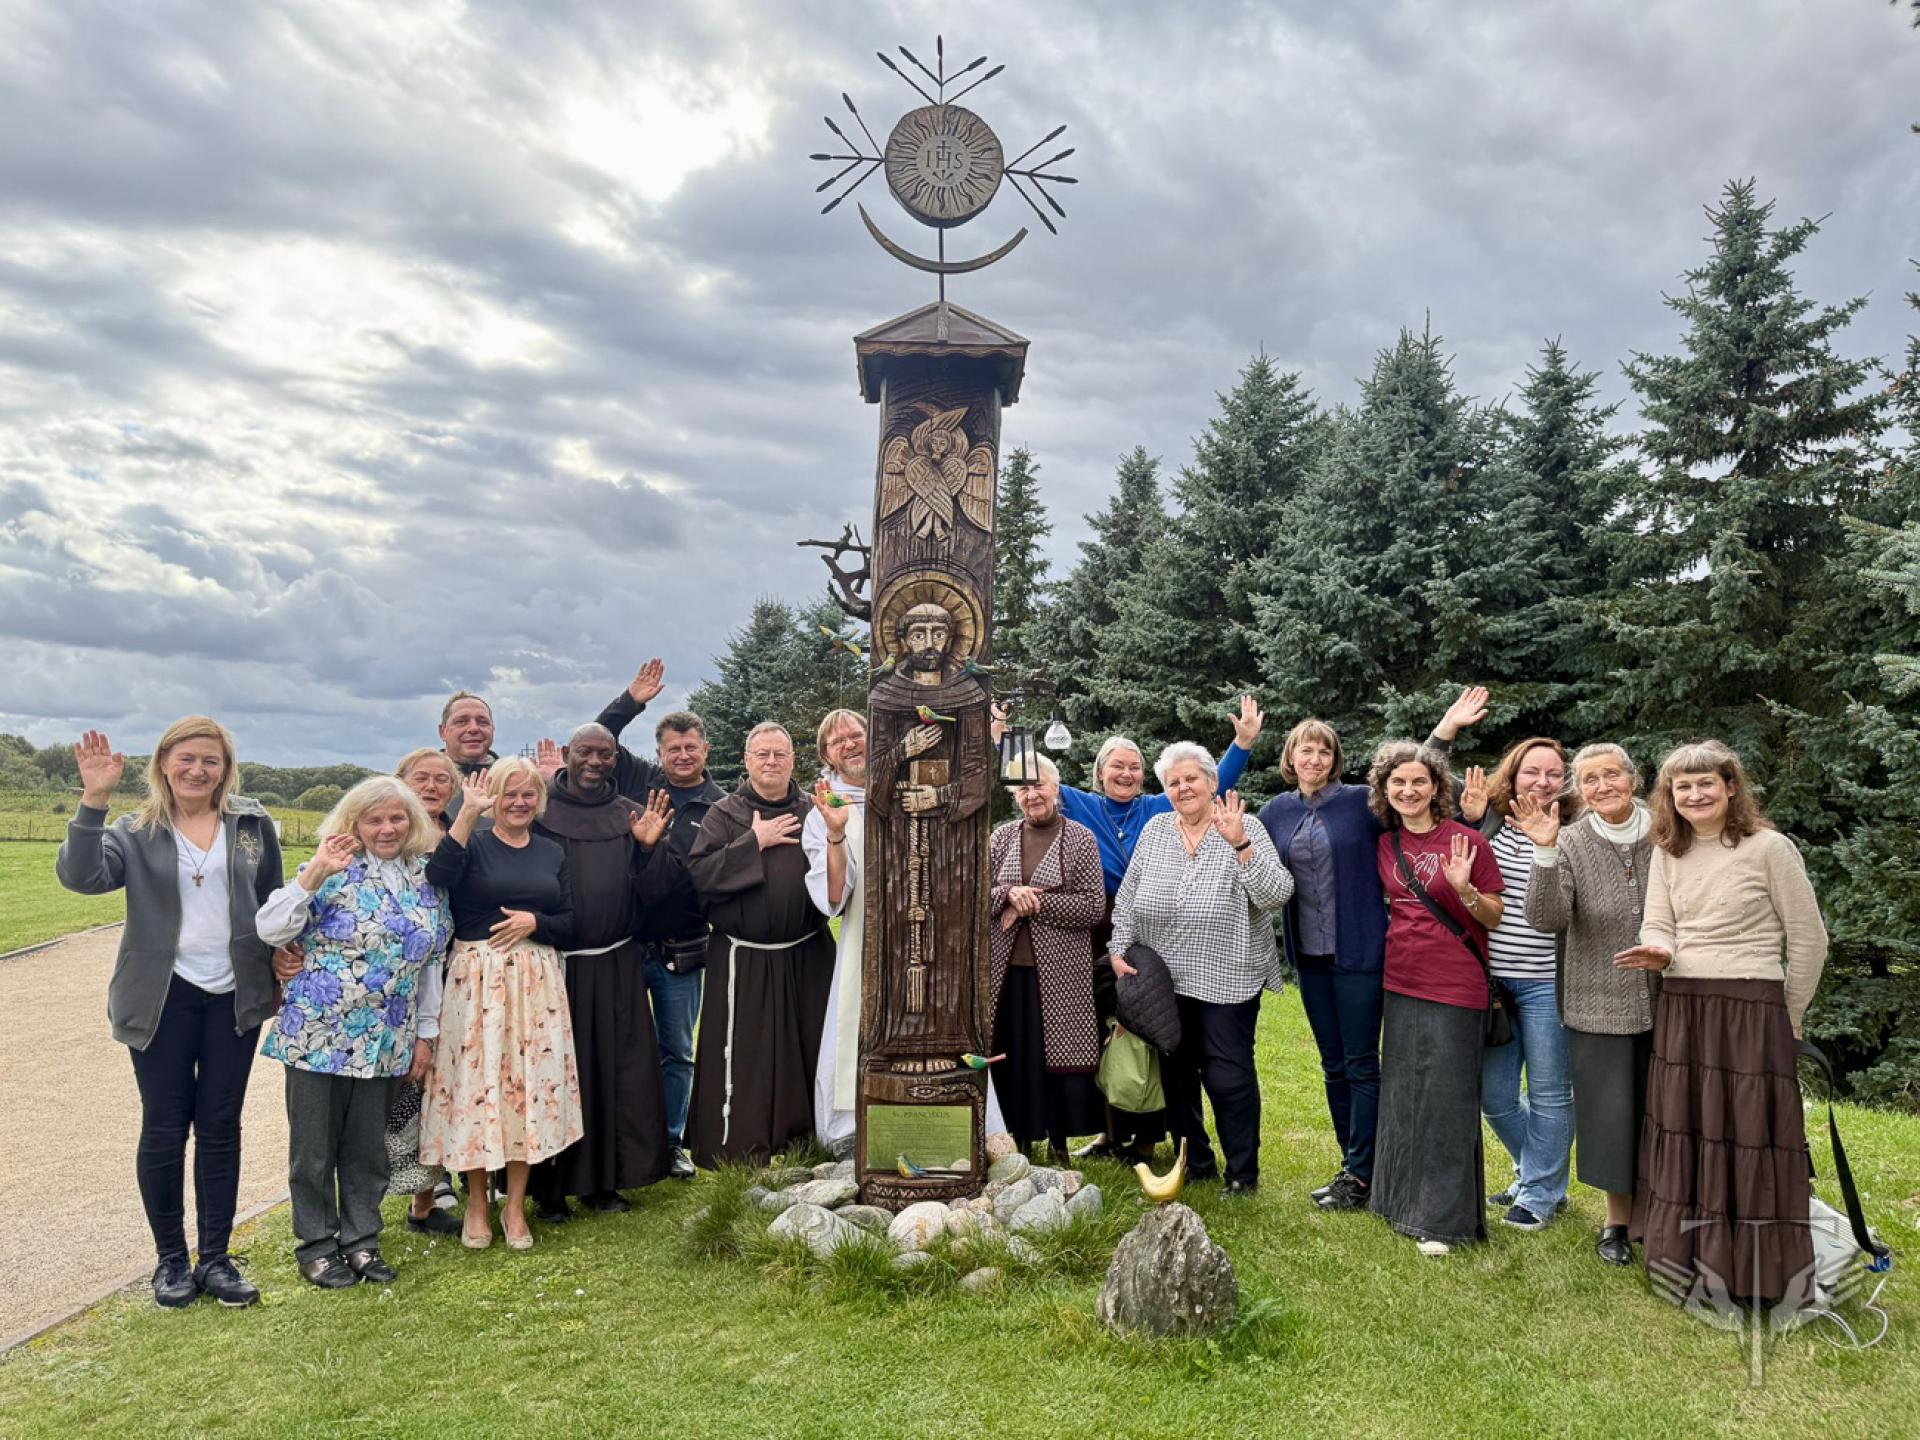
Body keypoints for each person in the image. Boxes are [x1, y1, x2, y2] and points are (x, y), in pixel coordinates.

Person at [56, 720, 284, 1308]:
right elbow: (81, 877)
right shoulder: (134, 832)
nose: (197, 770)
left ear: (225, 768)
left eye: (211, 760)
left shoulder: (252, 824)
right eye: (186, 758)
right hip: (162, 996)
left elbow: (273, 900)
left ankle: (216, 1259)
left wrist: (284, 954)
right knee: (164, 1126)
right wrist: (94, 800)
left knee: (220, 1125)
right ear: (163, 763)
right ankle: (171, 1261)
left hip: (234, 995)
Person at [1256, 687, 1489, 1211]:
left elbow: (1413, 782)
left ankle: (1364, 1173)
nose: (1315, 758)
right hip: (1310, 958)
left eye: (1325, 750)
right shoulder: (1275, 812)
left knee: (1361, 1062)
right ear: (1290, 757)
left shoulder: (1361, 804)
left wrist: (1445, 730)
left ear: (1335, 760)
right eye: (1305, 750)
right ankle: (1352, 1163)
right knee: (1332, 1063)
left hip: (1360, 953)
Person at [1617, 740, 1829, 1310]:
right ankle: (1686, 1263)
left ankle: (1757, 1275)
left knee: (1749, 1136)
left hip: (1751, 1010)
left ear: (1731, 787)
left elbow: (1809, 939)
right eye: (1682, 787)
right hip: (1684, 1007)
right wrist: (1659, 950)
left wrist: (1790, 1016)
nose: (1694, 795)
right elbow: (1658, 923)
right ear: (1670, 796)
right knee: (1688, 1130)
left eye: (1705, 783)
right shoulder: (1669, 851)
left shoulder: (1770, 848)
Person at [1003, 697, 1261, 1163]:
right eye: (1116, 766)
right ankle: (1109, 1132)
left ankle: (1148, 1136)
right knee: (1100, 1034)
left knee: (1147, 1032)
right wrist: (1000, 734)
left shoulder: (1159, 807)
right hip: (1090, 931)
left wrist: (1241, 744)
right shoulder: (1081, 804)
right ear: (1099, 773)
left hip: (1147, 931)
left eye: (1135, 767)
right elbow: (1030, 778)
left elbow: (1211, 782)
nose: (1126, 774)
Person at [254, 777, 451, 1288]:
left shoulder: (426, 878)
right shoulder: (330, 869)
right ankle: (317, 1245)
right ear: (354, 824)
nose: (387, 829)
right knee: (314, 1151)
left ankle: (362, 1240)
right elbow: (271, 928)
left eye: (396, 818)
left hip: (388, 1035)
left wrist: (425, 1035)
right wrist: (315, 874)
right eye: (374, 820)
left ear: (411, 821)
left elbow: (430, 964)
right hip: (320, 1033)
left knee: (368, 1150)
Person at [1108, 743, 1293, 1194]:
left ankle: (1242, 1173)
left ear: (1212, 782)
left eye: (1191, 778)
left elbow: (1277, 895)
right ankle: (1196, 1161)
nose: (1182, 787)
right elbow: (1128, 896)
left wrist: (1240, 845)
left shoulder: (1244, 826)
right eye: (1173, 782)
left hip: (1227, 976)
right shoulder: (1156, 829)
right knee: (1176, 1077)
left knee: (1227, 1076)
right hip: (1163, 980)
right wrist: (1117, 948)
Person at [420, 759, 583, 1251]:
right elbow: (437, 876)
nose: (518, 803)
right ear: (492, 797)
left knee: (525, 1088)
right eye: (509, 794)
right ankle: (476, 1201)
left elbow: (571, 922)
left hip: (536, 983)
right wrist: (468, 815)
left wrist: (536, 922)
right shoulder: (471, 843)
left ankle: (514, 1205)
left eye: (528, 794)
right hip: (477, 982)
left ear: (540, 800)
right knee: (477, 1087)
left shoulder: (551, 852)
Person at [1518, 743, 1657, 1266]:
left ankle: (1668, 1214)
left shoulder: (1668, 832)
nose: (1602, 786)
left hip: (1675, 999)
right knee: (1610, 1117)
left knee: (1670, 1111)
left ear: (1633, 778)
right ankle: (1617, 1221)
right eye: (1590, 779)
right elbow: (1546, 918)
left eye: (1611, 775)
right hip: (1598, 1001)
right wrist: (1545, 852)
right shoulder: (1572, 840)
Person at [1366, 740, 1505, 1256]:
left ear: (1436, 787)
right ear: (1385, 790)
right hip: (1401, 981)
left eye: (1419, 781)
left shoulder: (1467, 841)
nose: (1409, 790)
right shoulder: (1386, 844)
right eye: (1398, 782)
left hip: (1456, 983)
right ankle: (1396, 1201)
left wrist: (1465, 889)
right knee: (1404, 1094)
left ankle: (1443, 1221)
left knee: (1448, 1100)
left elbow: (1493, 915)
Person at [530, 723, 672, 1222]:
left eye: (605, 754)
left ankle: (605, 1181)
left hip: (614, 964)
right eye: (585, 752)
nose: (595, 762)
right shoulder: (539, 813)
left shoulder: (630, 815)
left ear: (616, 760)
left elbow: (658, 896)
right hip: (553, 967)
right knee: (552, 1074)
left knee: (615, 1072)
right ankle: (548, 1188)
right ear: (567, 754)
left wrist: (650, 850)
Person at [593, 660, 721, 1180]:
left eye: (691, 747)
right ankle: (621, 1143)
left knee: (677, 1051)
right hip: (625, 943)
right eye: (673, 749)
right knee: (618, 1048)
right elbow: (598, 738)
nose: (682, 756)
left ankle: (670, 1142)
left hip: (682, 949)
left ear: (705, 750)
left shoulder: (722, 807)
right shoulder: (639, 780)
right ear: (660, 753)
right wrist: (631, 701)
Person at [685, 722, 834, 1166]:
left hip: (807, 952)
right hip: (743, 956)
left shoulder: (814, 809)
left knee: (809, 1048)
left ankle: (809, 1141)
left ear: (793, 761)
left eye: (779, 754)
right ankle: (740, 1147)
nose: (771, 762)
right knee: (746, 1055)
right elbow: (699, 877)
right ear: (747, 760)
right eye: (762, 754)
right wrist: (754, 842)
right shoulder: (723, 814)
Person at [1453, 736, 1579, 1233]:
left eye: (1553, 773)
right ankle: (1537, 1173)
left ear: (1565, 781)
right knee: (1496, 1096)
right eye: (1532, 772)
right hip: (1495, 983)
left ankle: (1540, 1193)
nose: (1542, 782)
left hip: (1550, 981)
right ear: (1513, 775)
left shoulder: (1576, 831)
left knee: (1549, 1093)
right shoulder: (1491, 825)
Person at [988, 755, 1107, 1162]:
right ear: (1014, 796)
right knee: (1011, 1054)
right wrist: (1008, 894)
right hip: (1006, 971)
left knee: (1054, 1056)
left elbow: (1092, 907)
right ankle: (1015, 1140)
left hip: (1060, 973)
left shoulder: (1081, 839)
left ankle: (1058, 1142)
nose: (1032, 794)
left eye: (1038, 784)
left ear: (1056, 787)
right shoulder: (1001, 838)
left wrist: (1031, 903)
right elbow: (977, 895)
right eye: (1022, 788)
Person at [387, 747, 464, 1234]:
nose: (432, 787)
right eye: (422, 778)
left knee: (440, 1081)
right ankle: (406, 1192)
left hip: (455, 968)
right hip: (402, 976)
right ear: (402, 781)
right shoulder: (391, 832)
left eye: (442, 779)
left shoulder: (462, 832)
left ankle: (428, 1195)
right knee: (407, 1087)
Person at [803, 708, 867, 1156]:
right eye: (838, 740)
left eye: (856, 734)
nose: (849, 744)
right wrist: (836, 835)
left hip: (924, 930)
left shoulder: (904, 786)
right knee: (854, 1024)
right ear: (827, 755)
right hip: (863, 935)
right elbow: (833, 896)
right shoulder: (826, 807)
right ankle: (852, 1128)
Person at [439, 691, 499, 778]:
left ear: (492, 729)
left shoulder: (511, 779)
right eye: (461, 722)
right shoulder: (424, 780)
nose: (473, 729)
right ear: (442, 732)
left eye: (482, 722)